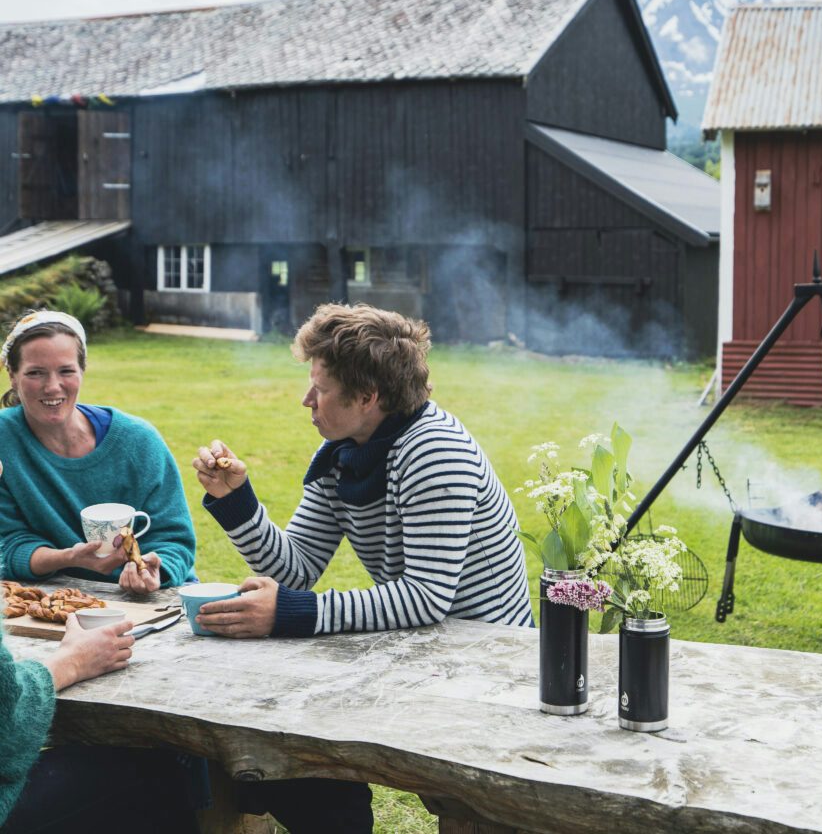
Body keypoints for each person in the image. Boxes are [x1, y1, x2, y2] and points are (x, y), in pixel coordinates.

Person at [192, 302, 533, 833]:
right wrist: (236, 499)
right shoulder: (345, 450)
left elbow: (424, 597)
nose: (306, 400)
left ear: (368, 397)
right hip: (424, 649)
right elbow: (297, 568)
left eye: (320, 389)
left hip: (486, 667)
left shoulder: (433, 450)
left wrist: (290, 614)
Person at [0, 457, 200, 834]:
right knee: (156, 767)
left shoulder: (136, 443)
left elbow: (175, 540)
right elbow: (6, 727)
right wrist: (72, 662)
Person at [0, 311, 196, 592]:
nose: (52, 386)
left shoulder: (139, 441)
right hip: (54, 598)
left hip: (155, 599)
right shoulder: (4, 441)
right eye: (35, 373)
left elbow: (174, 538)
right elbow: (6, 543)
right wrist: (68, 558)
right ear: (12, 375)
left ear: (82, 370)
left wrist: (154, 570)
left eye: (66, 370)